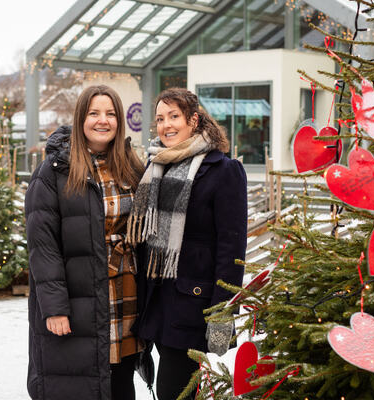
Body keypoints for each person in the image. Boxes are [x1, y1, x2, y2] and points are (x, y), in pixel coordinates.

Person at [25, 85, 145, 400]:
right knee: (77, 385)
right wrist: (54, 308)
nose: (102, 121)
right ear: (81, 119)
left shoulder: (132, 166)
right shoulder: (54, 172)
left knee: (120, 383)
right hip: (78, 302)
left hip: (124, 296)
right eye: (94, 113)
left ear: (120, 121)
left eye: (110, 114)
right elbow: (43, 246)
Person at [128, 88, 247, 400]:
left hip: (193, 305)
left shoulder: (222, 170)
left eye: (174, 116)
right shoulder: (155, 166)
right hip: (156, 300)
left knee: (173, 390)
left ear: (193, 120)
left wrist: (222, 315)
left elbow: (232, 250)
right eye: (160, 119)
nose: (166, 125)